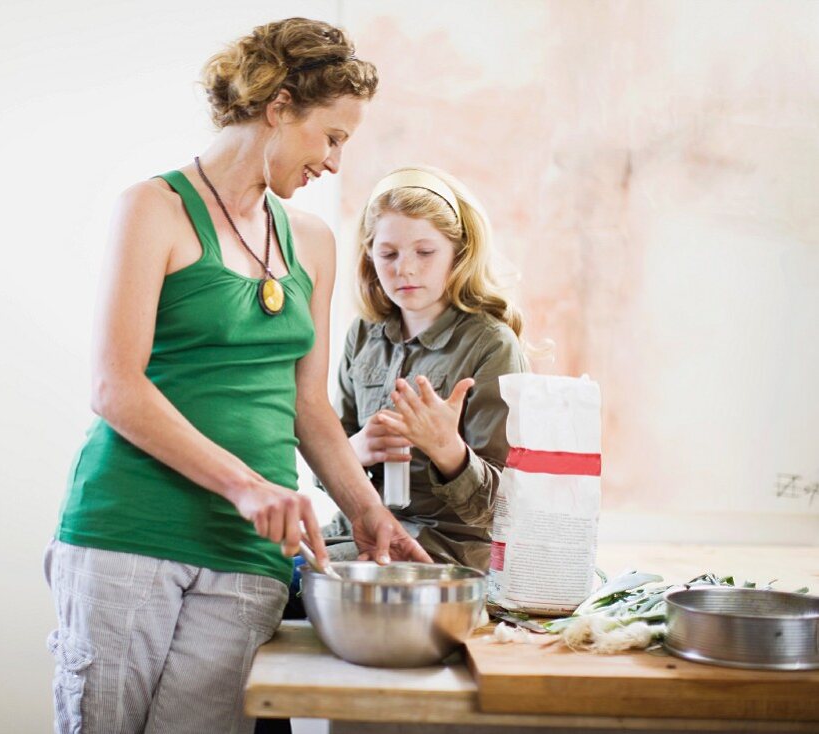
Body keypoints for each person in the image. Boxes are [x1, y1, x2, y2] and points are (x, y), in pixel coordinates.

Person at [44, 19, 430, 734]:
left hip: (251, 556)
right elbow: (115, 387)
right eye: (332, 136)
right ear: (279, 106)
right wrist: (247, 485)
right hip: (131, 534)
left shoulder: (310, 241)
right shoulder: (153, 209)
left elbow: (307, 406)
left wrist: (369, 512)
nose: (336, 163)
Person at [320, 165, 529, 571]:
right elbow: (327, 445)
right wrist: (353, 452)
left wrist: (445, 448)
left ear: (459, 252)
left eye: (425, 252)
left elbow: (506, 509)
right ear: (369, 255)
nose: (406, 269)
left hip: (444, 549)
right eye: (388, 254)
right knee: (260, 566)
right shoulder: (363, 336)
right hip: (360, 529)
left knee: (297, 584)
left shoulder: (491, 344)